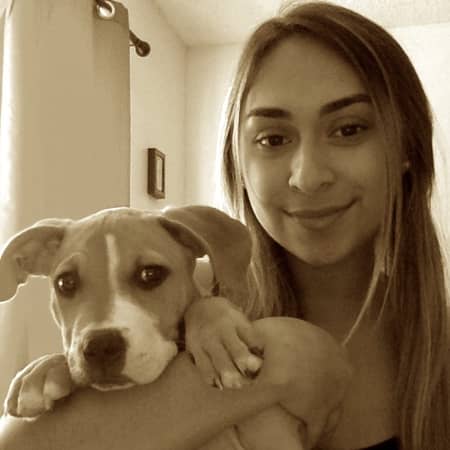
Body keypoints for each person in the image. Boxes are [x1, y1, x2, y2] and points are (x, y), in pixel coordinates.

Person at [0, 2, 448, 449]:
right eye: (273, 138)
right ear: (238, 163)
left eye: (349, 129)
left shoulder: (437, 351)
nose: (308, 177)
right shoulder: (183, 301)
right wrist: (279, 366)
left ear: (407, 148)